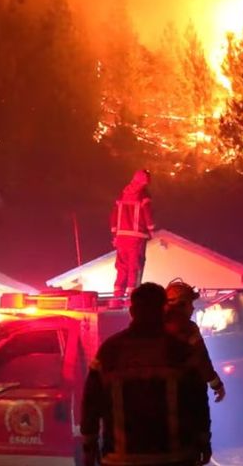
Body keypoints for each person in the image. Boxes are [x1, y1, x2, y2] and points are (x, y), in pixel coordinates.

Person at [81, 282, 212, 466]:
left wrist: (89, 446)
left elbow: (91, 402)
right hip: (175, 458)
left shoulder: (110, 351)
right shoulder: (180, 350)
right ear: (162, 310)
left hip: (121, 460)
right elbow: (198, 401)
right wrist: (204, 441)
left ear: (132, 311)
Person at [164, 279, 226, 402]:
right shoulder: (188, 328)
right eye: (189, 303)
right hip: (182, 390)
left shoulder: (153, 323)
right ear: (180, 303)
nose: (192, 308)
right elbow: (200, 357)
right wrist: (216, 384)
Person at [110, 169, 155, 297]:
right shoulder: (143, 194)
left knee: (121, 267)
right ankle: (132, 297)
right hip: (136, 237)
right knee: (134, 267)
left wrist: (115, 234)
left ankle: (117, 297)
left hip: (121, 238)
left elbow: (113, 215)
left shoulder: (122, 194)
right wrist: (151, 230)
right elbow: (147, 213)